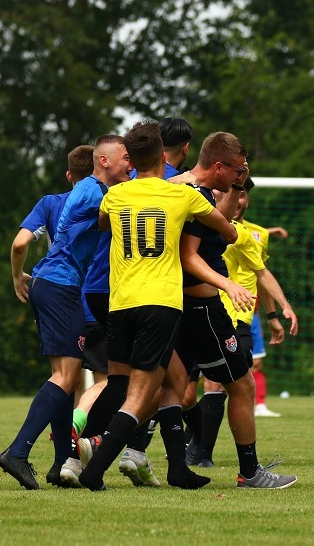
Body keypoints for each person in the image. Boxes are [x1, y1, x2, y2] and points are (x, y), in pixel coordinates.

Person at [77, 122, 246, 491]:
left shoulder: (115, 196)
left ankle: (176, 469)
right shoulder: (183, 196)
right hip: (160, 303)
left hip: (119, 303)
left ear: (132, 161)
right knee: (139, 397)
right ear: (162, 156)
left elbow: (104, 224)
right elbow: (229, 231)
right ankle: (93, 469)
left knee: (163, 380)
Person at [0, 137, 132, 490]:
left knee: (66, 376)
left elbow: (21, 244)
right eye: (126, 158)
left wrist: (19, 276)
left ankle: (60, 462)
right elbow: (20, 242)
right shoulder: (93, 191)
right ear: (103, 160)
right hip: (61, 287)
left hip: (52, 285)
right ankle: (18, 452)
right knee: (64, 377)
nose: (130, 165)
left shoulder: (87, 189)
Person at [187, 177, 297, 468]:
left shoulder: (255, 235)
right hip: (202, 311)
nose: (237, 201)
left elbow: (260, 275)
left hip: (239, 319)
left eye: (241, 196)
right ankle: (186, 445)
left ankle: (202, 455)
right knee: (185, 393)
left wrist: (276, 314)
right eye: (230, 194)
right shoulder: (200, 225)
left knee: (223, 384)